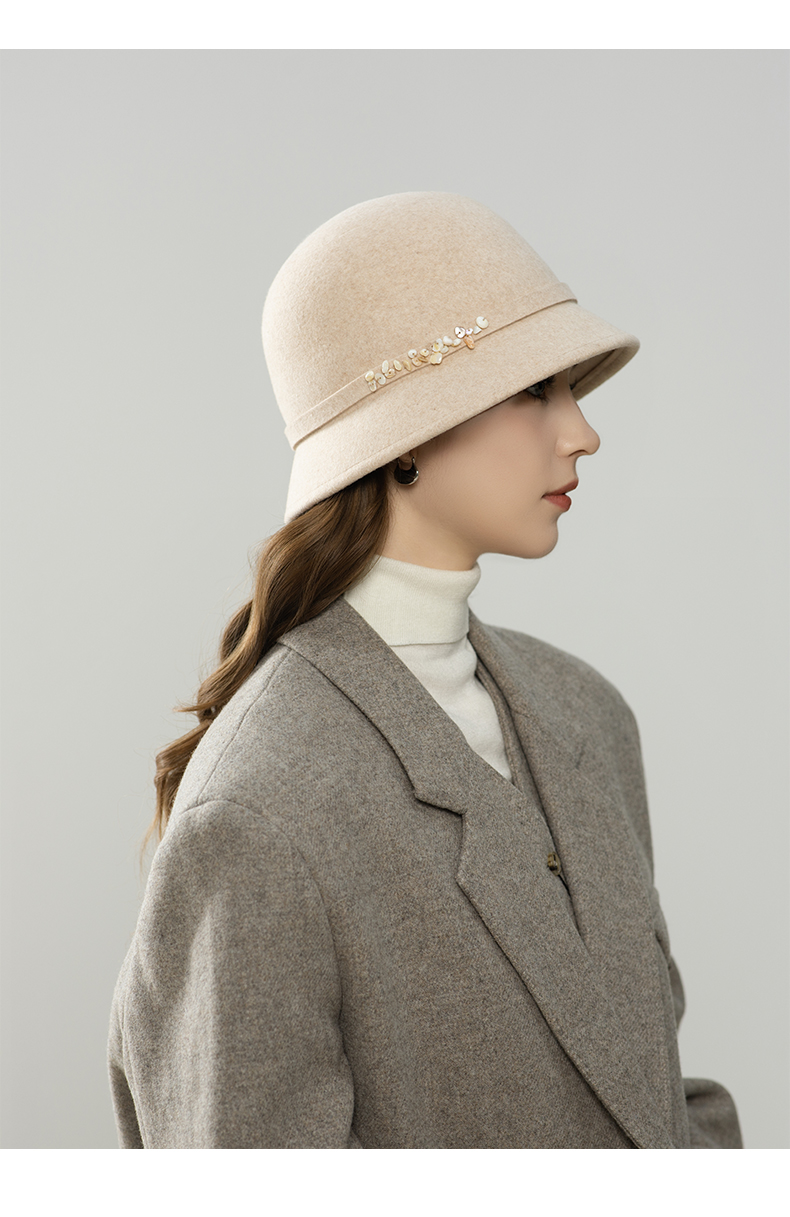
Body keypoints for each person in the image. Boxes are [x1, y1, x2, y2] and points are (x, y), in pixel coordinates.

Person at [107, 192, 742, 1148]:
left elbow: (649, 1089)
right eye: (536, 390)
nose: (582, 432)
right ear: (405, 433)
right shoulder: (259, 808)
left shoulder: (588, 714)